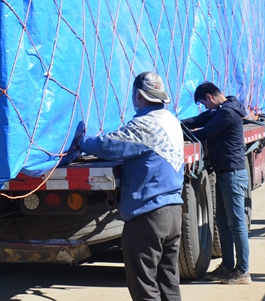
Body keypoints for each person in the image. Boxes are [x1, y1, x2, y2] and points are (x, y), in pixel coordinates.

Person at [75, 72, 185, 301]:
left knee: (144, 287)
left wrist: (81, 142)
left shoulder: (145, 124)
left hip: (149, 215)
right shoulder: (171, 120)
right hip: (173, 211)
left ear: (138, 96)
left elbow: (110, 147)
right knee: (168, 283)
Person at [181, 82, 250, 285]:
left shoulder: (227, 113)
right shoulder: (218, 110)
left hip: (233, 174)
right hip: (223, 173)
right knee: (222, 221)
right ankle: (228, 266)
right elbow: (197, 120)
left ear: (209, 97)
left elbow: (203, 133)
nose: (204, 108)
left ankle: (243, 270)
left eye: (203, 103)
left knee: (236, 224)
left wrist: (176, 133)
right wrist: (175, 124)